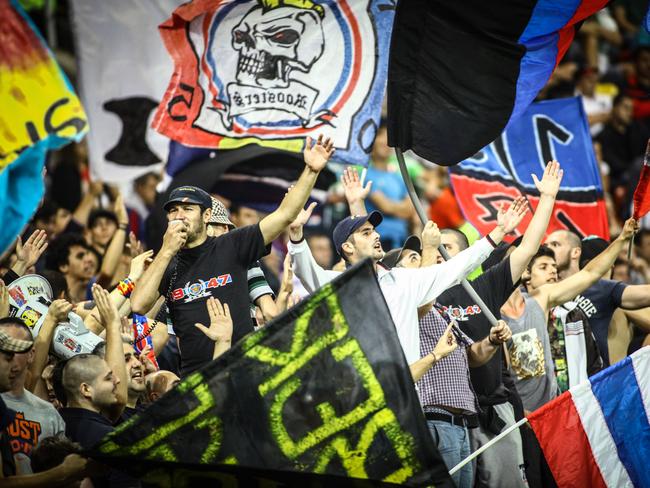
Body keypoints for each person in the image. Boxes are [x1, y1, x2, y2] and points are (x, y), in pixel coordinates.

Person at [130, 135, 336, 376]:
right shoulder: (168, 263)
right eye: (174, 211)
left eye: (188, 209)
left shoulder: (233, 244)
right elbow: (138, 305)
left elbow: (285, 214)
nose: (180, 215)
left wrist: (311, 170)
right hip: (195, 381)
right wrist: (165, 251)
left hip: (243, 369)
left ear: (207, 216)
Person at [431, 161, 563, 488]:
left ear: (467, 254)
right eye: (434, 246)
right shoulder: (419, 297)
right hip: (443, 417)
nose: (438, 253)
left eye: (447, 247)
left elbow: (528, 249)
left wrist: (546, 198)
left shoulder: (483, 288)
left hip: (493, 412)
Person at [287, 196, 527, 367]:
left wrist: (499, 231)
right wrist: (297, 234)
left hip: (409, 399)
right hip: (363, 400)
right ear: (347, 247)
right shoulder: (337, 284)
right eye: (366, 233)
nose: (377, 235)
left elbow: (458, 266)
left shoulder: (402, 280)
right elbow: (307, 270)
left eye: (375, 230)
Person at [383, 239, 513, 488]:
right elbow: (422, 297)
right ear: (395, 277)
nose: (422, 259)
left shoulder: (440, 308)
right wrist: (430, 251)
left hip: (461, 422)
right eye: (413, 258)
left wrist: (492, 341)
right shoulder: (405, 307)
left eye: (420, 255)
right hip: (434, 419)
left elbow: (471, 354)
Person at [58, 285, 137, 488]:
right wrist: (111, 325)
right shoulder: (106, 437)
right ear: (86, 389)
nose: (118, 380)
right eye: (108, 378)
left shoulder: (54, 422)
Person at [0, 325, 96, 486]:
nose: (12, 364)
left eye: (15, 355)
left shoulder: (47, 413)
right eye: (7, 357)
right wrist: (63, 471)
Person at [545, 226, 650, 365]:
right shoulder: (544, 291)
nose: (548, 250)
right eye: (545, 245)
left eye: (555, 244)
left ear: (576, 252)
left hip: (597, 382)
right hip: (559, 381)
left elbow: (645, 294)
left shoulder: (602, 287)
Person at [0, 318, 65, 474]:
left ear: (31, 355)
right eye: (6, 353)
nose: (11, 358)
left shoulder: (49, 413)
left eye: (15, 351)